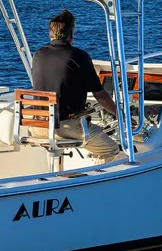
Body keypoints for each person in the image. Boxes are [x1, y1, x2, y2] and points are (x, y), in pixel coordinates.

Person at [31, 9, 122, 161]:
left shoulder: (38, 54)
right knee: (110, 149)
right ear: (71, 34)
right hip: (66, 128)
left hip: (38, 126)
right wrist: (121, 115)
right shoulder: (78, 56)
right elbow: (99, 95)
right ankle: (94, 182)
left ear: (50, 34)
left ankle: (63, 175)